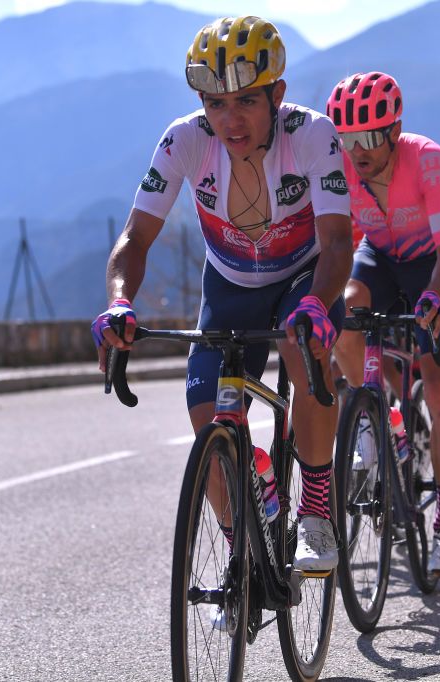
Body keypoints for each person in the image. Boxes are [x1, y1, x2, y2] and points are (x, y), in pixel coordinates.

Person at [92, 16, 353, 576]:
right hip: (229, 286)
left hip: (303, 279)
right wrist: (119, 301)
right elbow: (135, 238)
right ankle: (243, 550)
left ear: (277, 95)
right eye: (215, 103)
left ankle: (314, 509)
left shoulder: (312, 134)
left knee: (300, 350)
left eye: (246, 102)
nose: (229, 120)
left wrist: (316, 305)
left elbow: (336, 242)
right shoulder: (184, 138)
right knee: (207, 427)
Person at [327, 72, 440, 576]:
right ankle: (372, 417)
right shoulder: (340, 165)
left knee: (438, 388)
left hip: (433, 266)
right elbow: (336, 244)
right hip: (379, 260)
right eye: (347, 139)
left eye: (367, 138)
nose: (356, 150)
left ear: (394, 131)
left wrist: (436, 295)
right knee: (343, 310)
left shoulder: (426, 158)